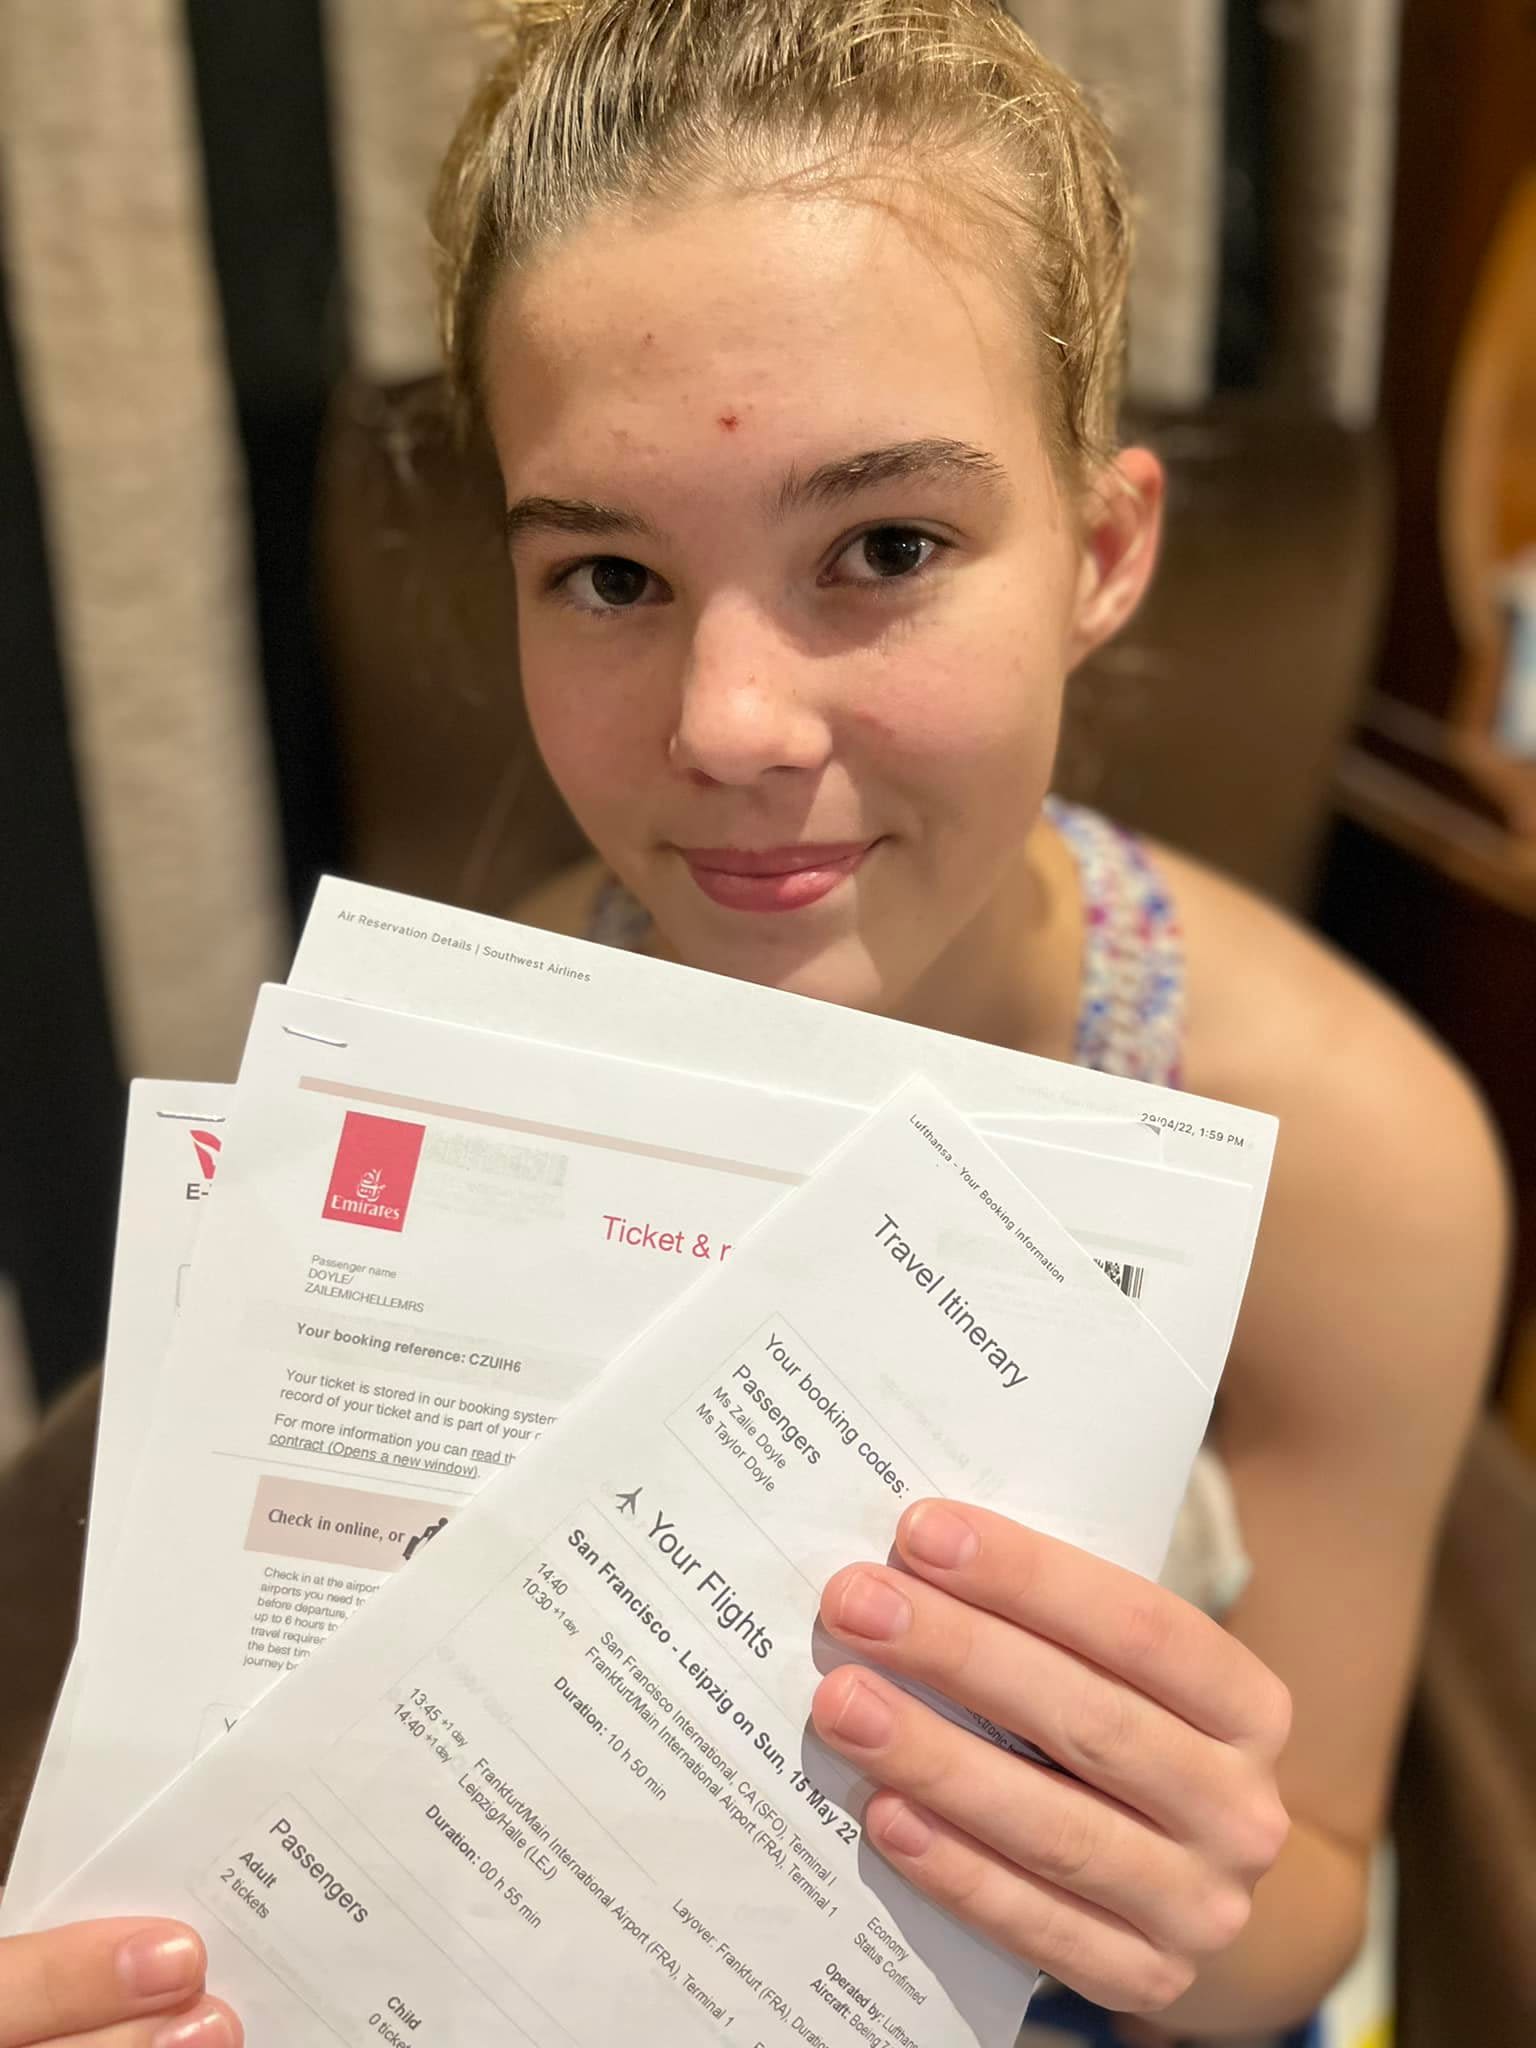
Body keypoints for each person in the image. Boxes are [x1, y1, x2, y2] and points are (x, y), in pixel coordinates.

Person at [0, 4, 1508, 2043]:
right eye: (611, 575)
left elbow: (1311, 1888)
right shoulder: (511, 1044)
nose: (727, 733)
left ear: (1107, 550)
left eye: (884, 548)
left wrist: (1173, 1901)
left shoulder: (1361, 1168)